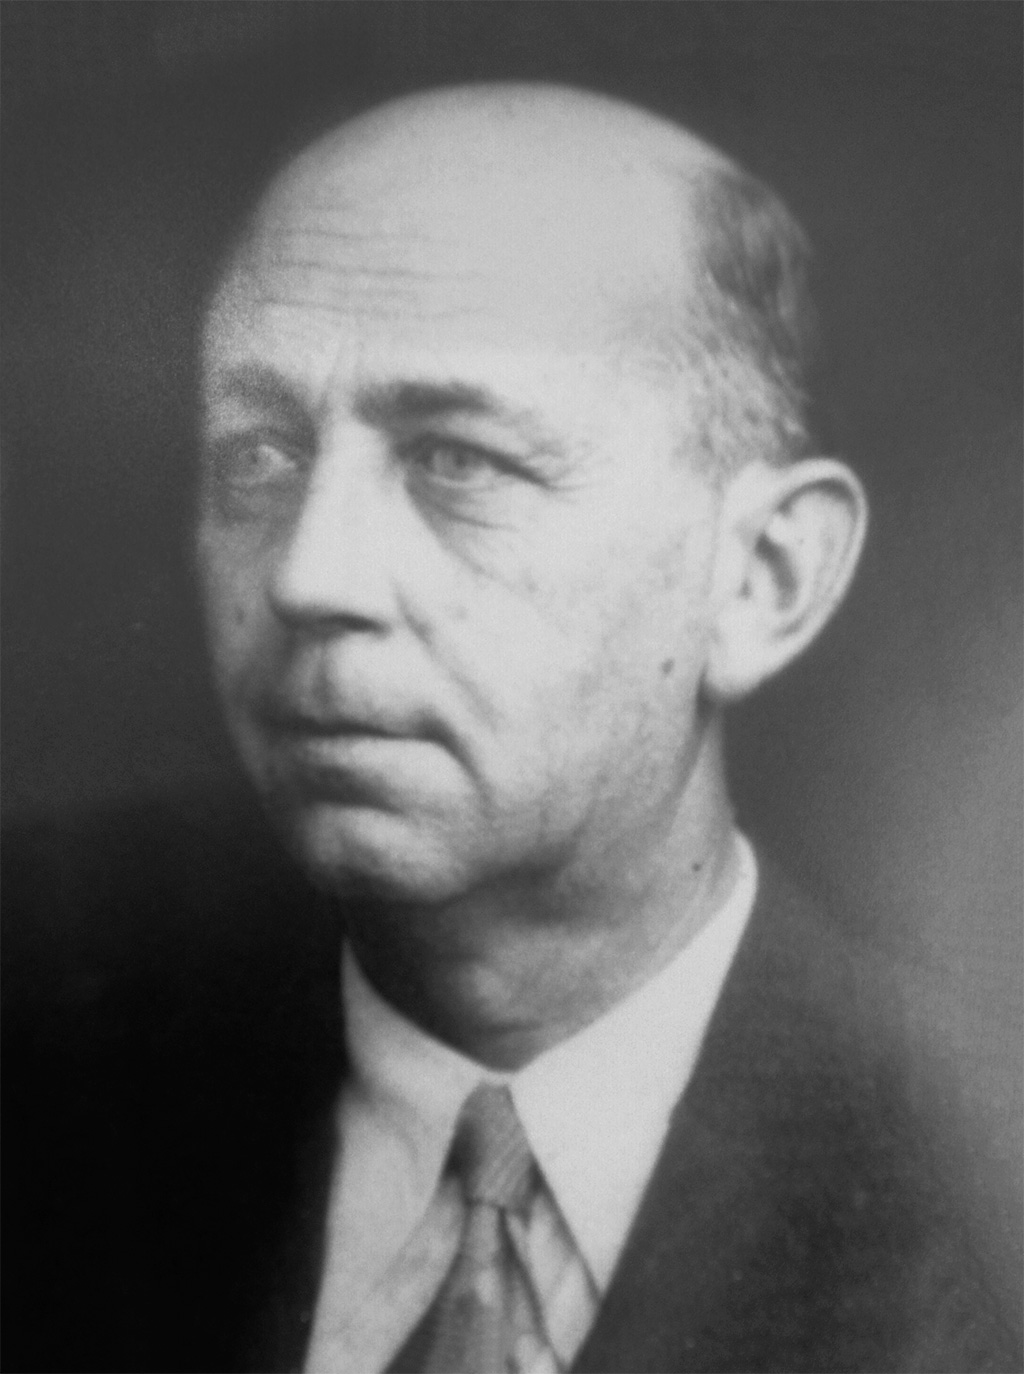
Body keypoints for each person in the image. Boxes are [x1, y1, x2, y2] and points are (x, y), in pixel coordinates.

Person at [3, 82, 1018, 1374]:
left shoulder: (978, 1193)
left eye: (458, 460)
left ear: (764, 577)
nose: (310, 574)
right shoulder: (54, 1088)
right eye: (259, 454)